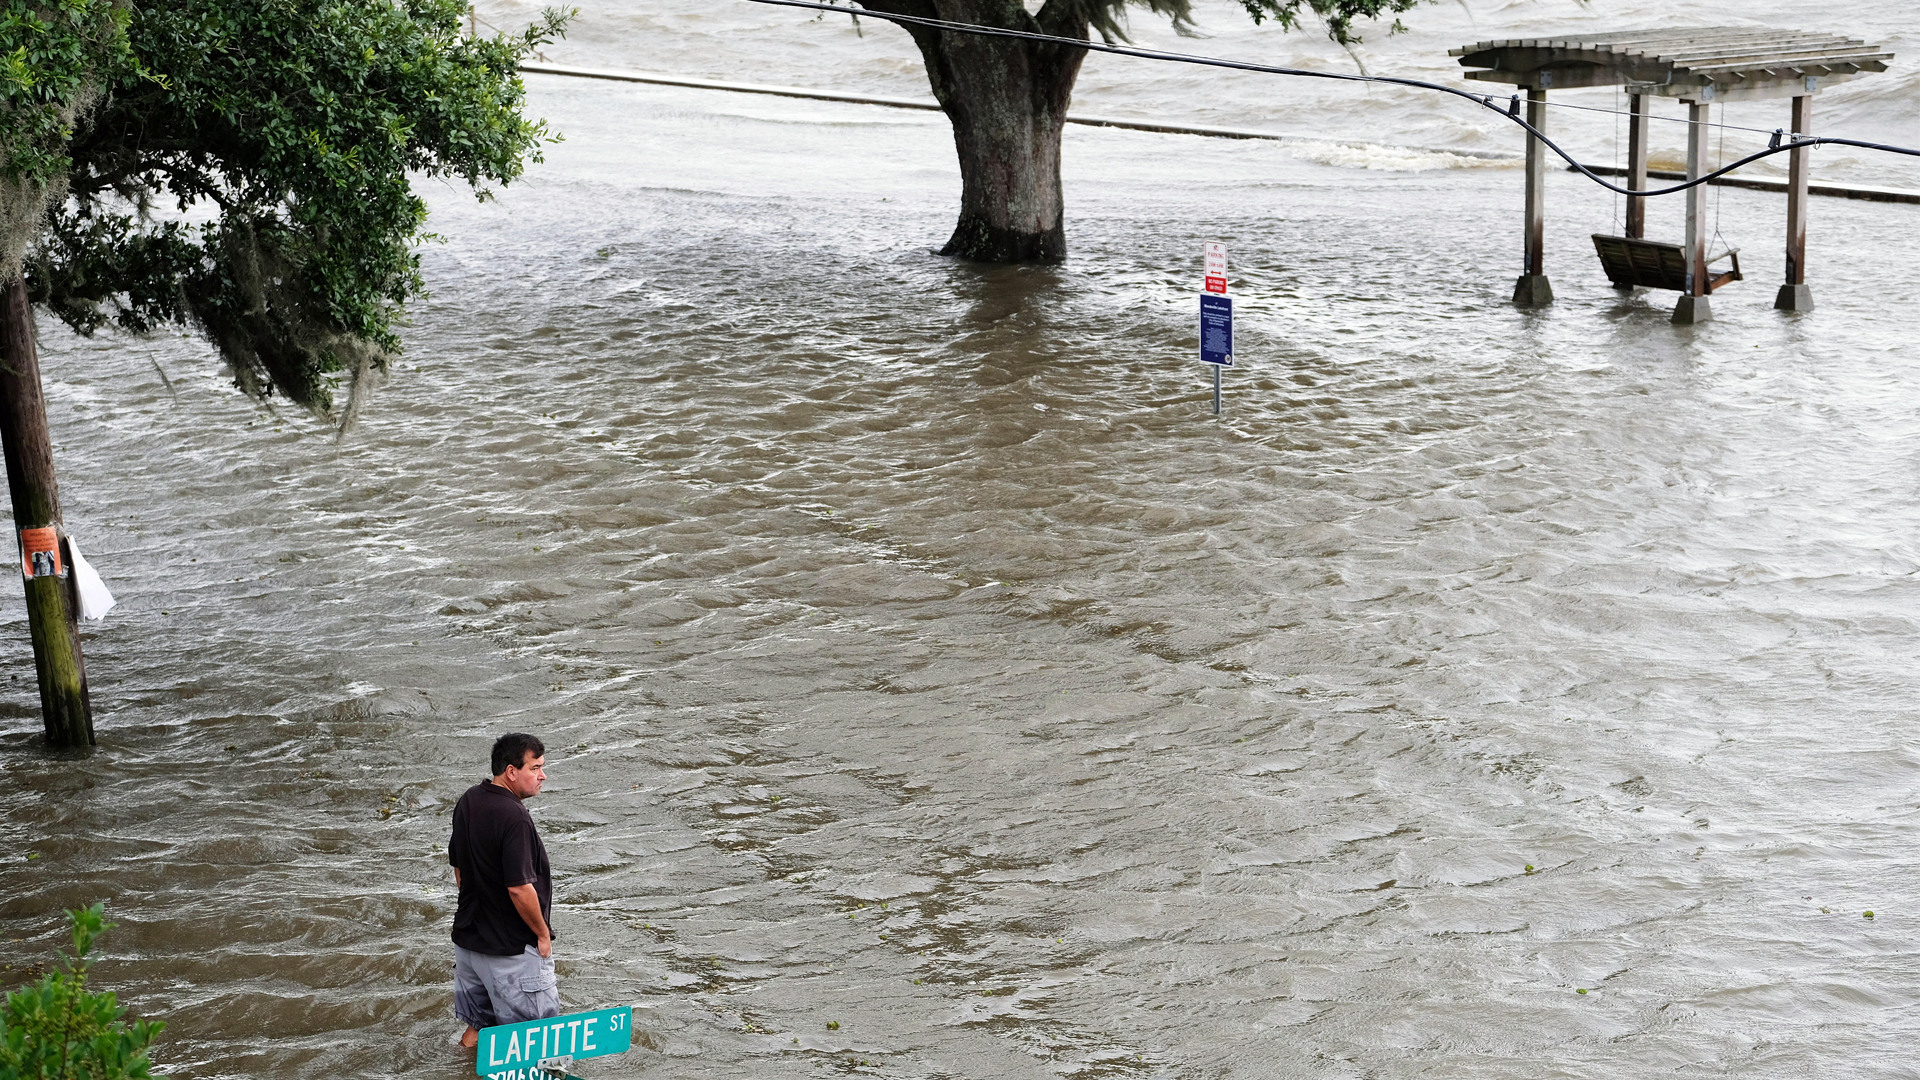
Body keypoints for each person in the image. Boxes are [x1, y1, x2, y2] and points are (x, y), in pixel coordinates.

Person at [449, 733, 559, 1048]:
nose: (542, 775)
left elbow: (459, 869)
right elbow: (519, 889)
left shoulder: (470, 799)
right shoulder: (515, 817)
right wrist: (542, 935)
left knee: (480, 1028)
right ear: (511, 771)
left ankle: (459, 1069)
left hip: (470, 945)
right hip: (510, 952)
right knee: (538, 1043)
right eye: (535, 768)